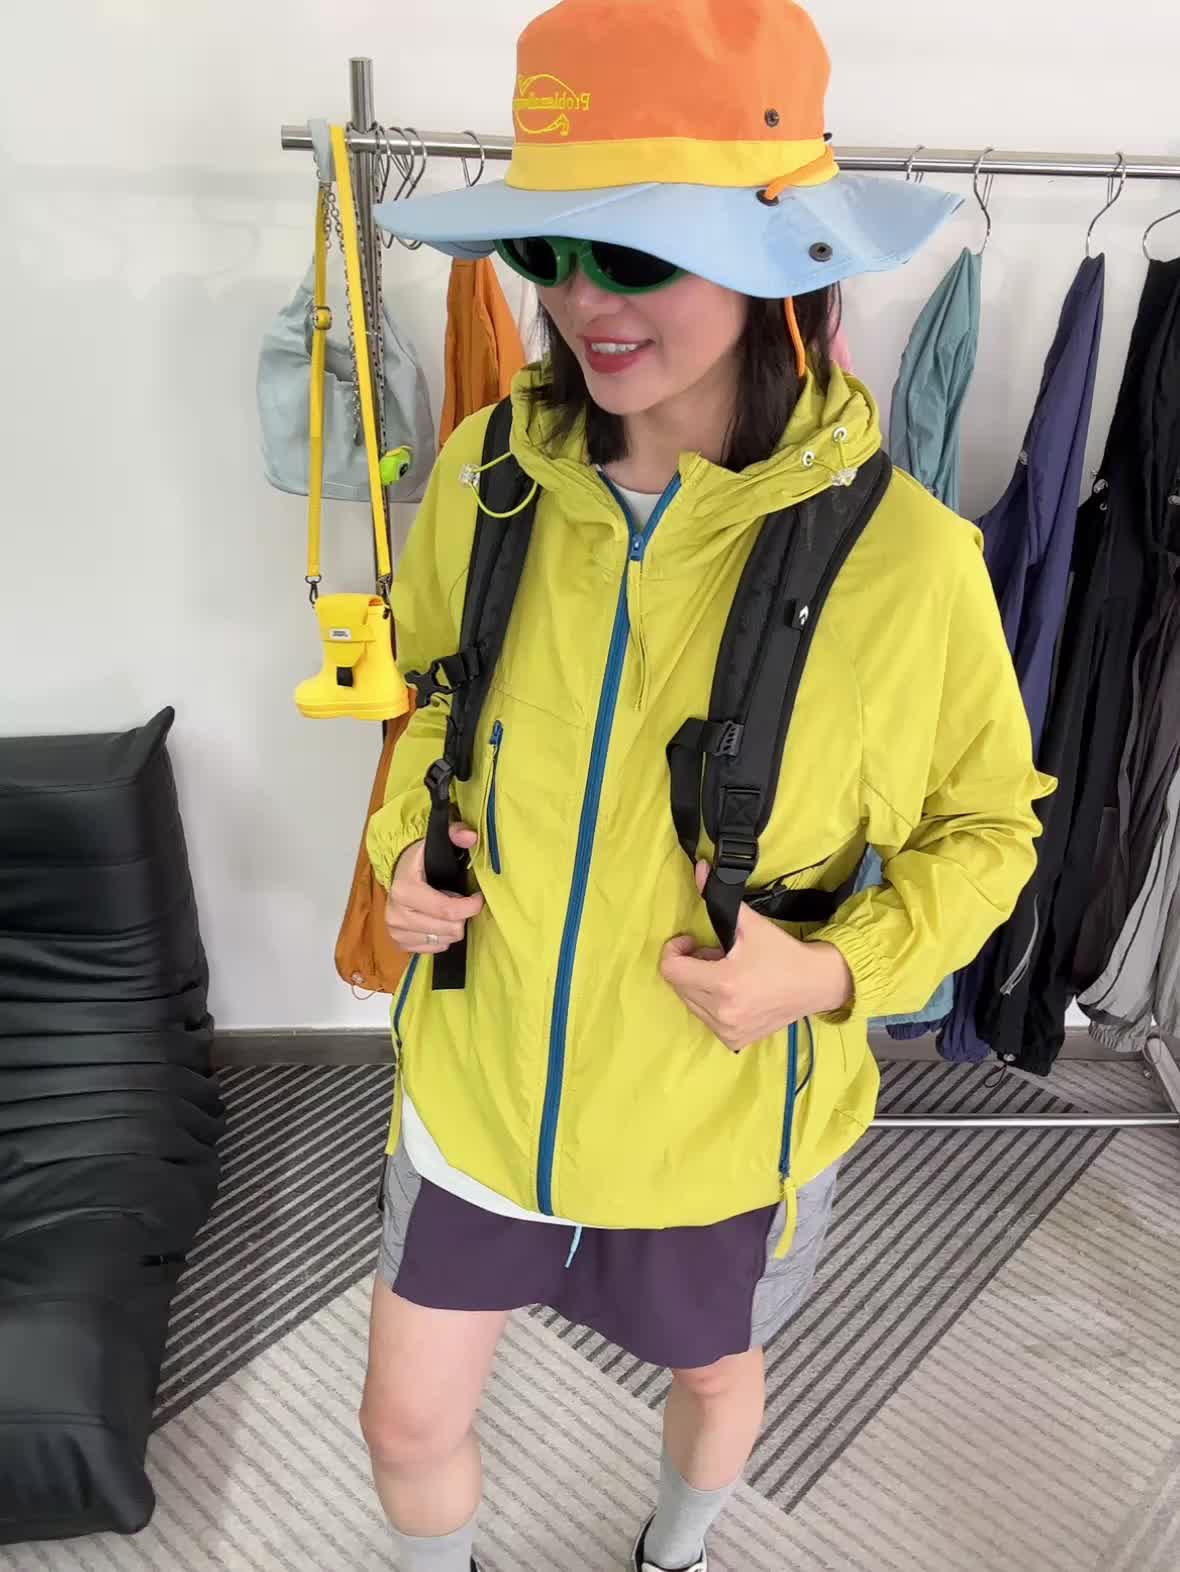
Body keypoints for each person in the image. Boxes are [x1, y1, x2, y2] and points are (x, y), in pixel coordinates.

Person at [361, 3, 1053, 1568]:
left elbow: (989, 828)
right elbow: (433, 707)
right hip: (481, 1076)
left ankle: (671, 1553)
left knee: (716, 1379)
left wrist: (831, 971)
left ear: (776, 261)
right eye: (549, 252)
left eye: (635, 252)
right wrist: (412, 848)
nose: (581, 302)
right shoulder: (482, 477)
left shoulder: (910, 562)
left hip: (720, 1117)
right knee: (403, 1423)